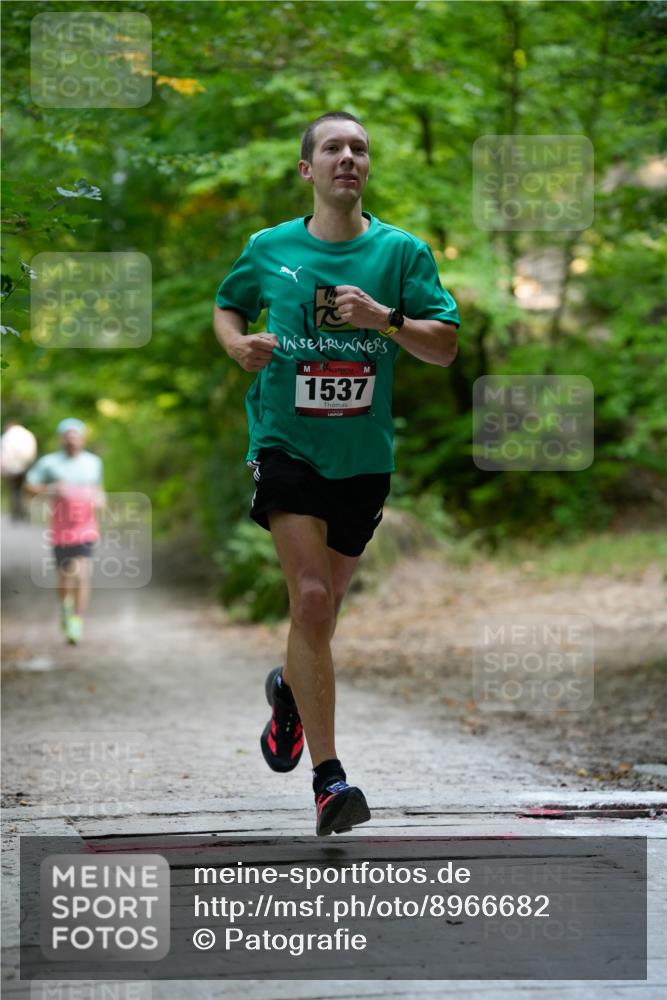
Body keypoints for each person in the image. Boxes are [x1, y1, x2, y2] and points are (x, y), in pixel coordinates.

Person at [213, 111, 460, 836]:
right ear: (307, 170)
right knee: (313, 601)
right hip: (285, 444)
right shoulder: (269, 248)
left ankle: (289, 694)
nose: (346, 157)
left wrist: (384, 319)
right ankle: (329, 783)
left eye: (358, 148)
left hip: (362, 459)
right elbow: (228, 306)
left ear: (366, 168)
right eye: (332, 148)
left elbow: (443, 347)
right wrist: (237, 347)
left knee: (319, 617)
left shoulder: (401, 253)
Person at [25, 418, 105, 644]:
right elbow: (29, 488)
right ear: (62, 439)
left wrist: (100, 499)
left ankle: (77, 621)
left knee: (82, 574)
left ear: (82, 438)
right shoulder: (49, 463)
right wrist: (51, 488)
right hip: (61, 530)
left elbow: (99, 489)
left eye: (76, 436)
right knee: (65, 576)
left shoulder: (94, 462)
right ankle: (65, 608)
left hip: (87, 527)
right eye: (67, 436)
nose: (72, 440)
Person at [1, 421, 37, 520]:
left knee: (14, 491)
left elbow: (5, 453)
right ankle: (25, 513)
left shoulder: (8, 436)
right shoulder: (28, 434)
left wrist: (4, 468)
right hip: (27, 466)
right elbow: (33, 450)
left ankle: (15, 513)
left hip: (12, 468)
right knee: (25, 490)